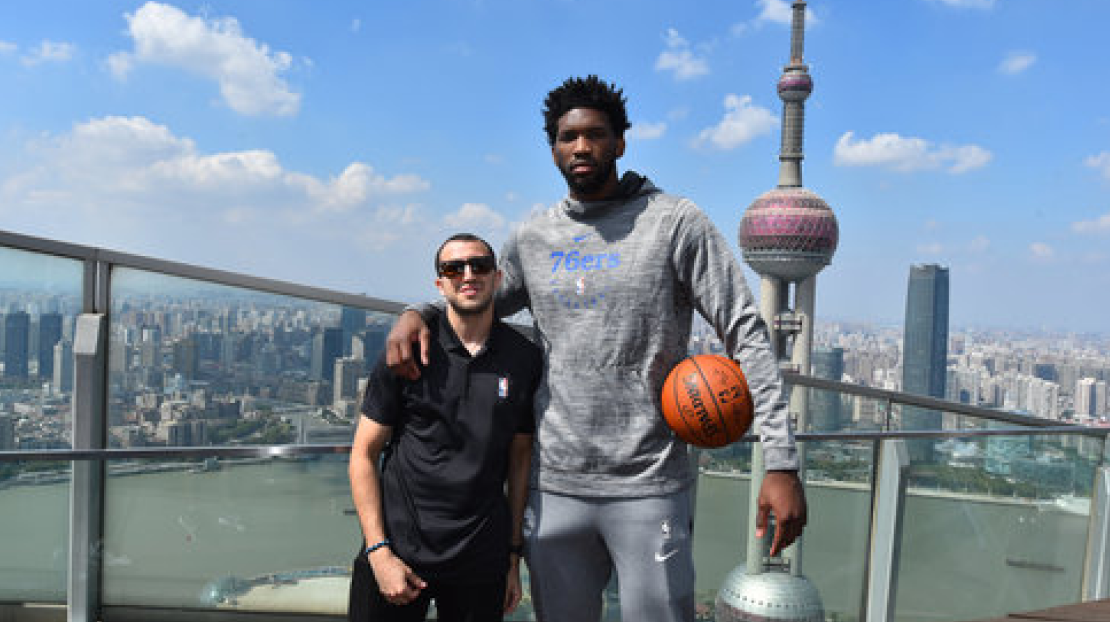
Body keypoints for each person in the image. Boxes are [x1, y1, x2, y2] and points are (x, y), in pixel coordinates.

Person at [386, 76, 807, 622]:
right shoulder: (535, 236)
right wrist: (417, 312)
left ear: (620, 143)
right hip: (553, 482)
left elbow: (746, 333)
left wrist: (780, 462)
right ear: (554, 148)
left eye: (594, 134)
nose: (580, 147)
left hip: (649, 481)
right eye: (567, 137)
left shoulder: (675, 223)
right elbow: (477, 300)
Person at [348, 233, 543, 622]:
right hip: (399, 552)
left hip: (480, 559)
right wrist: (379, 552)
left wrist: (512, 555)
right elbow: (364, 454)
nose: (468, 275)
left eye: (479, 265)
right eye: (454, 268)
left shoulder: (523, 358)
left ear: (498, 277)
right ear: (440, 284)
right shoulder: (406, 351)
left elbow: (520, 460)